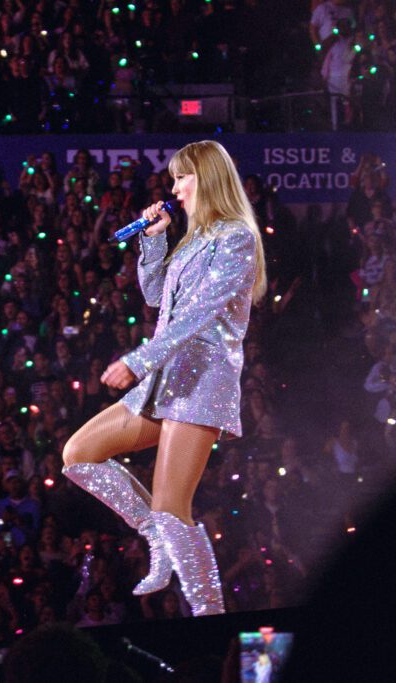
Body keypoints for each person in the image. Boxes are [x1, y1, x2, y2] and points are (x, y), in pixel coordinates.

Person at [61, 140, 266, 617]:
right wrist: (154, 240)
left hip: (200, 383)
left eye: (181, 178)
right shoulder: (193, 240)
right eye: (174, 179)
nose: (174, 188)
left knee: (174, 507)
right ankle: (154, 534)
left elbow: (198, 315)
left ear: (208, 179)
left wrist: (141, 358)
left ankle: (208, 614)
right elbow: (156, 299)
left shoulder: (237, 238)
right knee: (79, 455)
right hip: (165, 382)